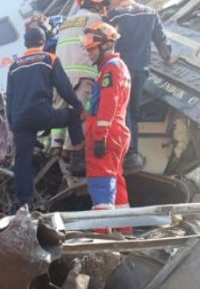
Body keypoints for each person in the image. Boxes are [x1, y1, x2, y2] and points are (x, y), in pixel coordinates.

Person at [6, 27, 85, 211]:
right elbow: (64, 87)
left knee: (22, 161)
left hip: (20, 120)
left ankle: (24, 202)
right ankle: (79, 159)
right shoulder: (49, 58)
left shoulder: (14, 66)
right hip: (42, 114)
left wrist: (12, 124)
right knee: (72, 116)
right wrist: (79, 107)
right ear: (43, 41)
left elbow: (10, 97)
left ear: (26, 44)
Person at [106, 0, 172, 172]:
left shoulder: (114, 14)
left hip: (120, 69)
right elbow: (162, 42)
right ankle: (133, 154)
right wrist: (167, 59)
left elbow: (103, 41)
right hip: (141, 70)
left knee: (122, 111)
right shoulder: (150, 13)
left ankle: (129, 154)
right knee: (133, 113)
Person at [82, 23, 132, 230]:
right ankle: (125, 230)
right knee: (116, 182)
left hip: (106, 132)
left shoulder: (111, 69)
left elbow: (108, 104)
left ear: (105, 45)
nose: (89, 54)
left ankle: (101, 238)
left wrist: (100, 135)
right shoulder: (118, 67)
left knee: (101, 183)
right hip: (116, 131)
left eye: (92, 49)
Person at [51, 0, 108, 175]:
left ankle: (55, 145)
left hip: (61, 75)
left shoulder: (66, 22)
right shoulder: (96, 19)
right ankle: (74, 153)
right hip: (83, 73)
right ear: (97, 5)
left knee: (60, 111)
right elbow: (105, 44)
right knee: (81, 113)